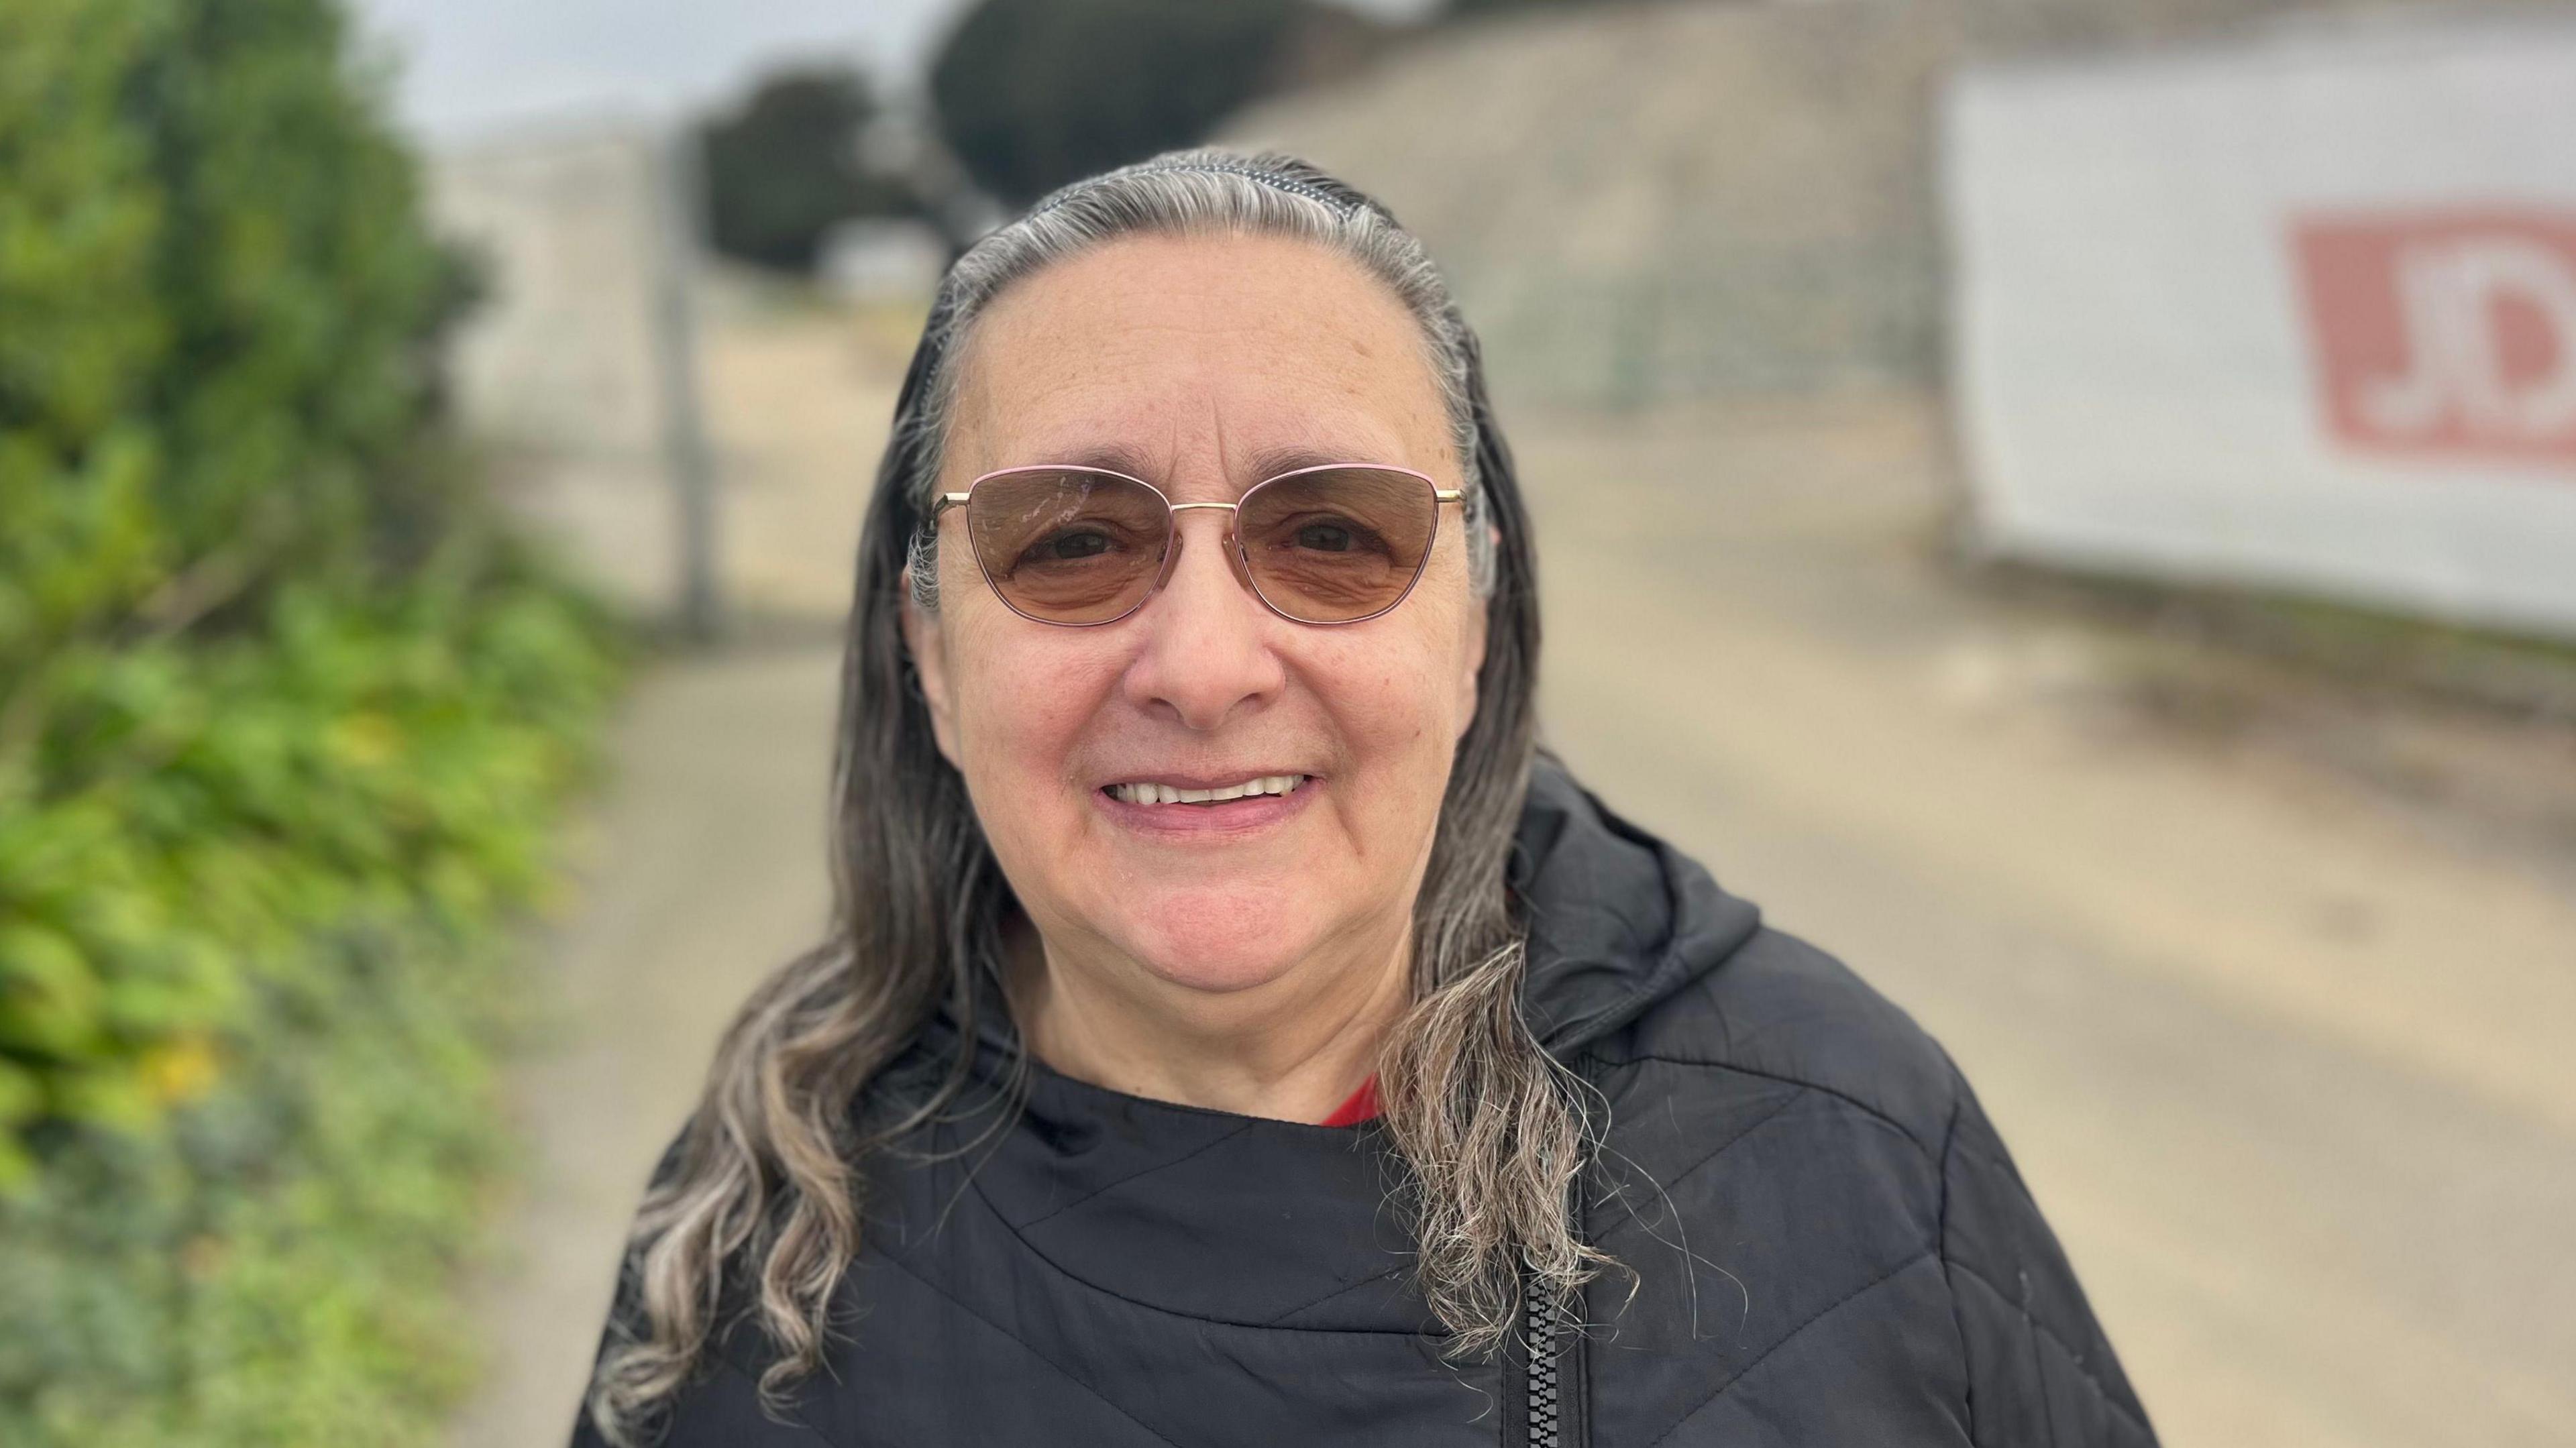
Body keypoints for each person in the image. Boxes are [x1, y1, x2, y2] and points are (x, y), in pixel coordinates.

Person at [570, 148, 2157, 1448]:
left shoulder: (1850, 1141)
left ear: (1472, 624)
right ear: (929, 649)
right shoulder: (757, 1233)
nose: (1202, 664)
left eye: (1334, 535)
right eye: (1071, 542)